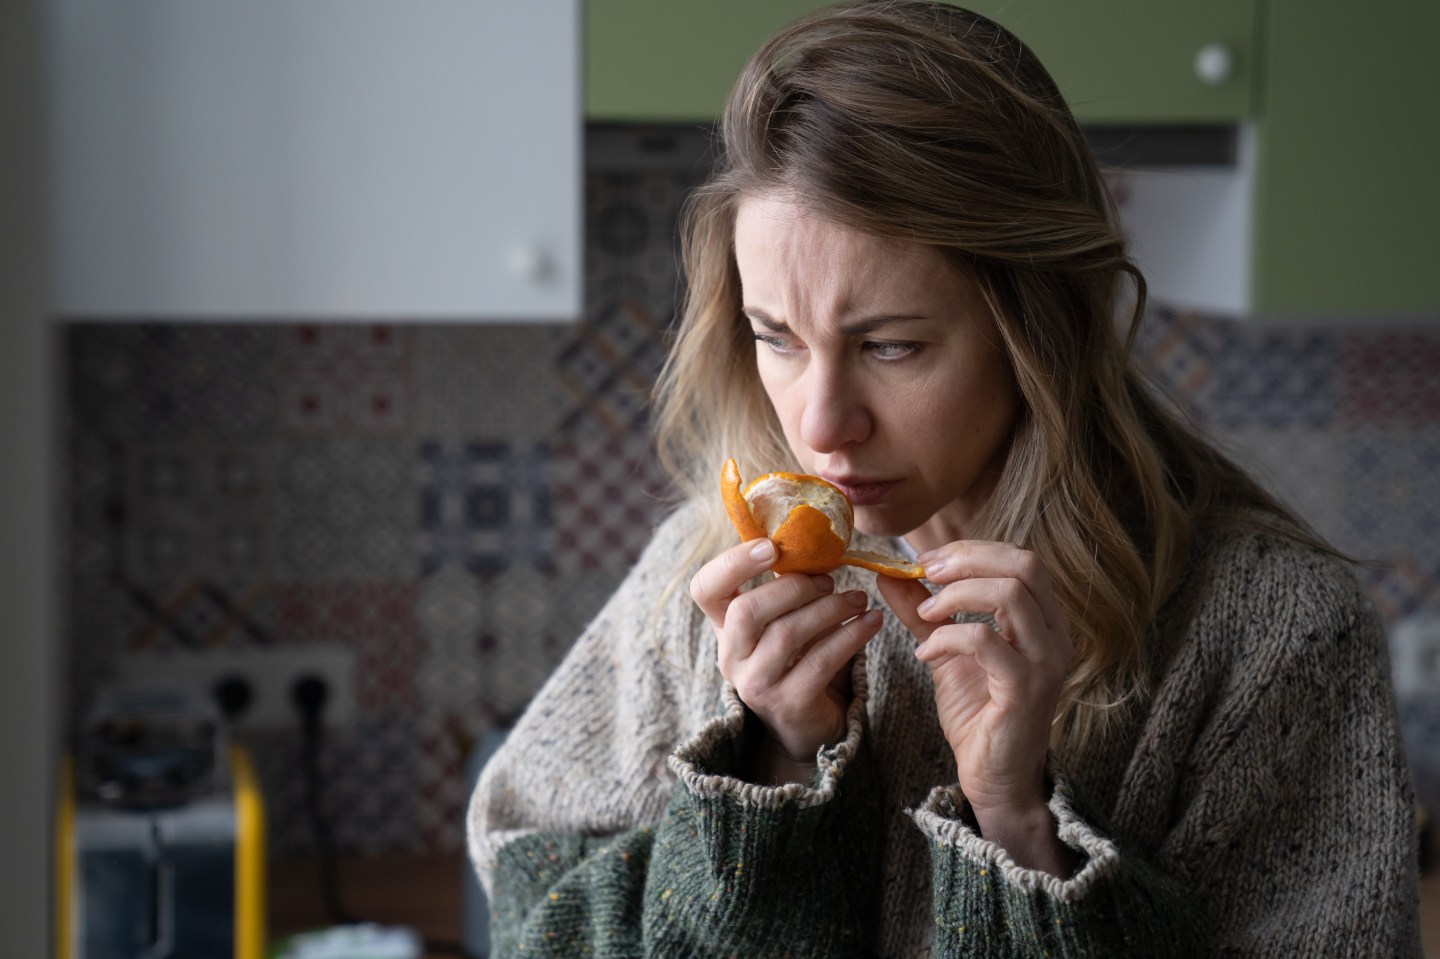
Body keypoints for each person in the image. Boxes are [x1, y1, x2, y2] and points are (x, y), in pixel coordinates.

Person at [467, 2, 1423, 955]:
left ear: (1038, 332)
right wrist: (768, 771)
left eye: (891, 345)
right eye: (776, 339)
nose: (820, 423)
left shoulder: (1275, 634)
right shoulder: (706, 578)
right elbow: (531, 923)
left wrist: (1018, 823)